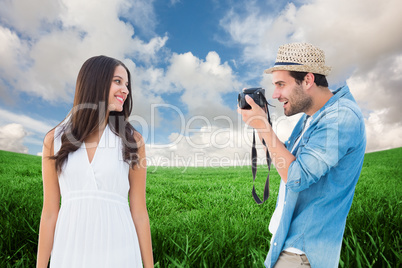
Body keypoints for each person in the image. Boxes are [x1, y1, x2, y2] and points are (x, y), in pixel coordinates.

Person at [238, 43, 366, 268]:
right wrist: (263, 124)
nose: (275, 95)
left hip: (302, 253)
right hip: (288, 243)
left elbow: (296, 177)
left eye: (281, 84)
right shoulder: (311, 116)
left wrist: (263, 127)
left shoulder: (340, 117)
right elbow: (286, 158)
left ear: (308, 80)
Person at [36, 55, 154, 268]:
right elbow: (50, 213)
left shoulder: (133, 141)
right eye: (118, 81)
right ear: (94, 82)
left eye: (127, 85)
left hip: (121, 249)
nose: (126, 90)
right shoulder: (54, 140)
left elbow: (139, 212)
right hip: (69, 250)